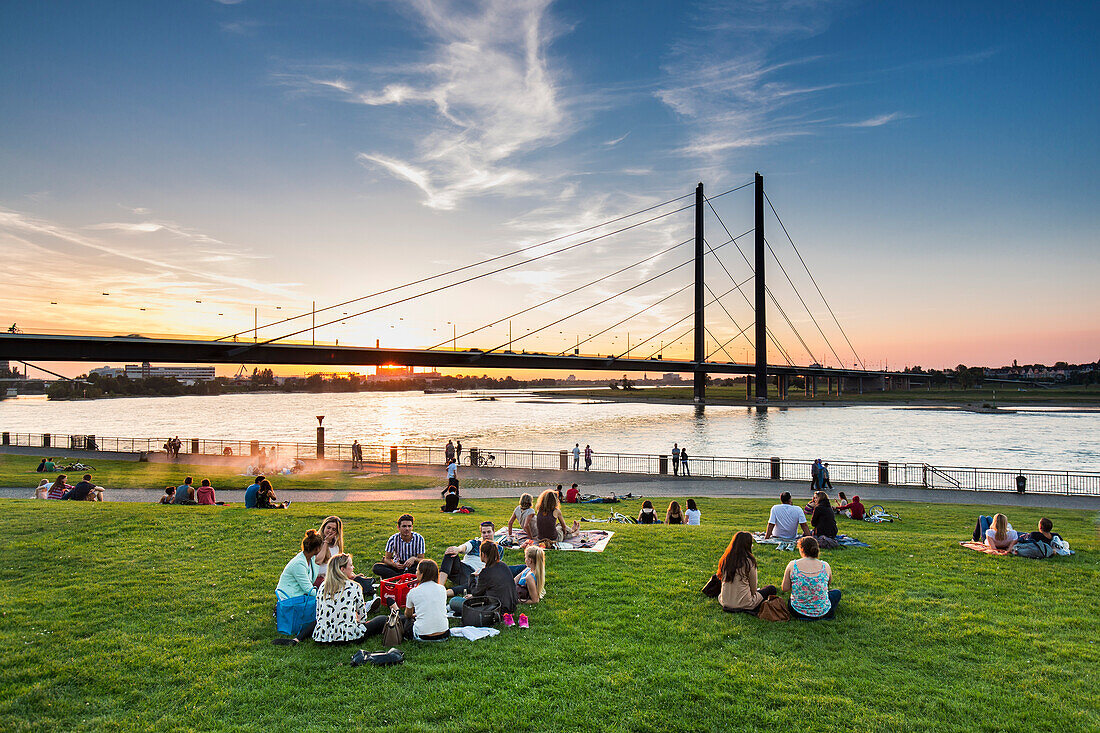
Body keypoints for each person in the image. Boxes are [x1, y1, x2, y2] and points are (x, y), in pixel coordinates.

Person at [272, 530, 326, 645]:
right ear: (317, 549)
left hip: (300, 593)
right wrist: (324, 596)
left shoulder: (310, 559)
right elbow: (308, 589)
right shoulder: (299, 563)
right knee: (321, 603)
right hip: (291, 596)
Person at [311, 553, 372, 643]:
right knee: (380, 620)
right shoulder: (354, 586)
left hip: (323, 636)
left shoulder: (323, 586)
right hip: (348, 636)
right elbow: (362, 617)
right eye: (351, 565)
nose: (353, 568)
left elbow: (318, 613)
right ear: (342, 569)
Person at [448, 540, 517, 616]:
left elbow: (475, 592)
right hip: (510, 607)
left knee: (454, 601)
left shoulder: (486, 572)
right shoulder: (503, 565)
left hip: (494, 610)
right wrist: (474, 596)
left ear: (483, 554)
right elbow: (492, 589)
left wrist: (472, 577)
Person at [717, 531, 778, 613]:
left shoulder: (725, 559)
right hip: (744, 603)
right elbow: (753, 590)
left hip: (724, 601)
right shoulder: (748, 562)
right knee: (771, 588)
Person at [783, 536, 841, 620]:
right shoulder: (825, 565)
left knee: (791, 600)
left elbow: (785, 588)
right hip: (822, 612)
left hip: (798, 611)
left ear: (801, 549)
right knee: (836, 593)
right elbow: (827, 585)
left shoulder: (792, 565)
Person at [439, 521, 496, 595]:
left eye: (489, 532)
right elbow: (465, 547)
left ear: (494, 532)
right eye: (484, 533)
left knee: (473, 586)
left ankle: (443, 594)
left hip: (473, 574)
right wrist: (457, 549)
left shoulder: (498, 549)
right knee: (451, 552)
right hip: (461, 568)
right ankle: (439, 587)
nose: (486, 535)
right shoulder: (475, 543)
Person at [400, 560, 450, 640]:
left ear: (422, 574)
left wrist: (413, 615)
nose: (416, 573)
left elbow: (408, 615)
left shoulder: (413, 592)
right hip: (444, 633)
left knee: (407, 620)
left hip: (422, 636)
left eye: (417, 571)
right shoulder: (442, 589)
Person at [373, 514, 425, 580]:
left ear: (412, 527)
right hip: (398, 565)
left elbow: (421, 559)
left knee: (423, 567)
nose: (407, 529)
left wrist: (414, 559)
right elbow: (387, 559)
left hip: (412, 566)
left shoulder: (419, 538)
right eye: (404, 526)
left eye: (409, 526)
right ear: (398, 527)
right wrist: (394, 564)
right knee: (376, 567)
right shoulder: (393, 539)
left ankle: (396, 577)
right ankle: (404, 576)